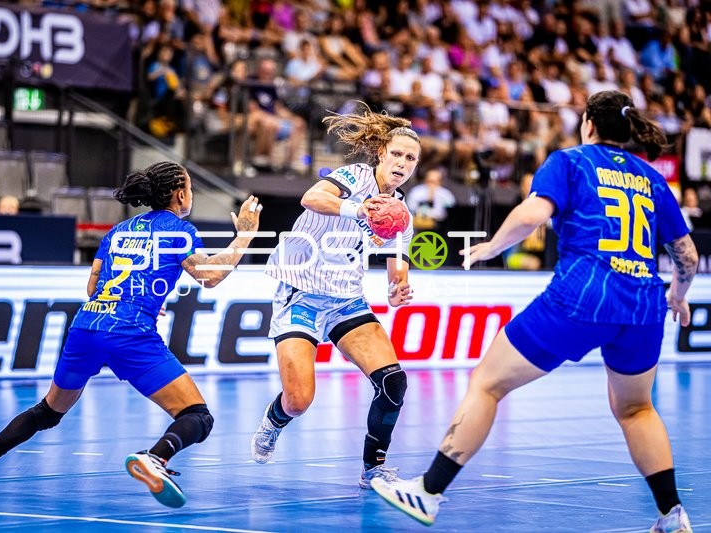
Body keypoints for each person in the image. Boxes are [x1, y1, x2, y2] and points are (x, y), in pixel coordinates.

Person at [372, 90, 698, 533]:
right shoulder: (651, 177)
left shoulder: (571, 162)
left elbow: (532, 215)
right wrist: (677, 296)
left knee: (486, 384)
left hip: (582, 296)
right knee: (637, 409)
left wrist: (490, 246)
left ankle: (428, 492)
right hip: (642, 305)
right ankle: (673, 515)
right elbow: (687, 255)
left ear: (588, 124)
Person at [0, 161, 263, 509]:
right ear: (180, 194)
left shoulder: (118, 231)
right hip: (129, 333)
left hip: (87, 326)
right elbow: (210, 276)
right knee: (197, 416)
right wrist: (245, 235)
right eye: (190, 187)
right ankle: (157, 458)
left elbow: (93, 286)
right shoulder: (179, 229)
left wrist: (132, 295)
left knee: (48, 412)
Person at [250, 104, 417, 489]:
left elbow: (397, 264)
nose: (403, 163)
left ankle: (373, 469)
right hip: (302, 293)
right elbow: (312, 197)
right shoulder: (354, 177)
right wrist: (358, 209)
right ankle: (274, 422)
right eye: (397, 154)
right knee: (299, 401)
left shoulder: (400, 214)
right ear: (381, 154)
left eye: (411, 159)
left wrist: (398, 288)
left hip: (346, 300)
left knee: (393, 383)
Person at [405, 167, 456, 235]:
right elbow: (410, 208)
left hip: (441, 227)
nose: (431, 184)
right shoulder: (416, 192)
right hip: (418, 226)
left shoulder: (446, 195)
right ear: (425, 180)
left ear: (440, 182)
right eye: (429, 181)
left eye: (434, 182)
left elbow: (451, 210)